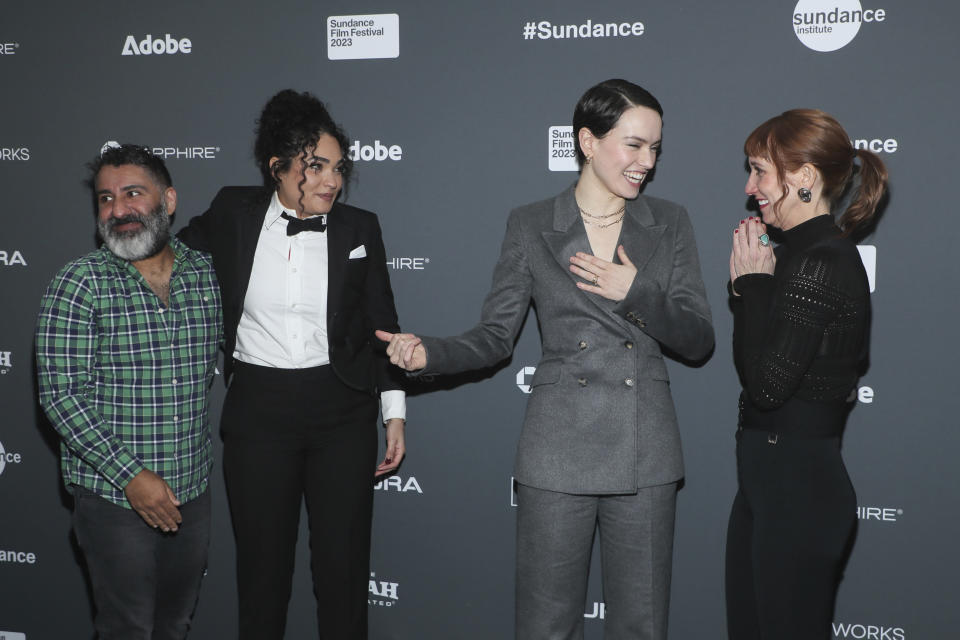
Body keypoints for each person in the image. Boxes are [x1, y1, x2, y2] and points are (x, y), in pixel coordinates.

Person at [378, 79, 713, 640]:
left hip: (646, 450)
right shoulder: (531, 223)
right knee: (545, 626)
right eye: (633, 145)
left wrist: (634, 292)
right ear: (587, 140)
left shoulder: (670, 222)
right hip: (558, 450)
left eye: (655, 148)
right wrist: (427, 353)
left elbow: (698, 340)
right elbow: (494, 337)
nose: (646, 163)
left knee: (642, 627)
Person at [177, 89, 406, 639]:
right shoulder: (232, 212)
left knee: (344, 571)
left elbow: (384, 322)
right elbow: (168, 257)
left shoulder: (359, 228)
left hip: (343, 410)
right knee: (262, 574)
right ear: (277, 168)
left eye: (338, 168)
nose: (332, 180)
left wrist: (393, 411)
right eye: (315, 166)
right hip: (259, 412)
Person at [36, 144, 222, 639]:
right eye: (105, 199)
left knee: (174, 625)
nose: (117, 210)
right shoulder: (78, 283)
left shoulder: (206, 276)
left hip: (192, 490)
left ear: (169, 200)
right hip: (113, 498)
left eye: (132, 194)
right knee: (128, 630)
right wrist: (132, 477)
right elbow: (61, 395)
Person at [725, 109, 888, 639]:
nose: (751, 188)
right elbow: (755, 371)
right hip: (767, 486)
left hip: (798, 492)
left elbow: (768, 387)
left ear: (804, 178)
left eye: (759, 171)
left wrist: (752, 287)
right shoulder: (794, 258)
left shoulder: (824, 261)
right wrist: (755, 286)